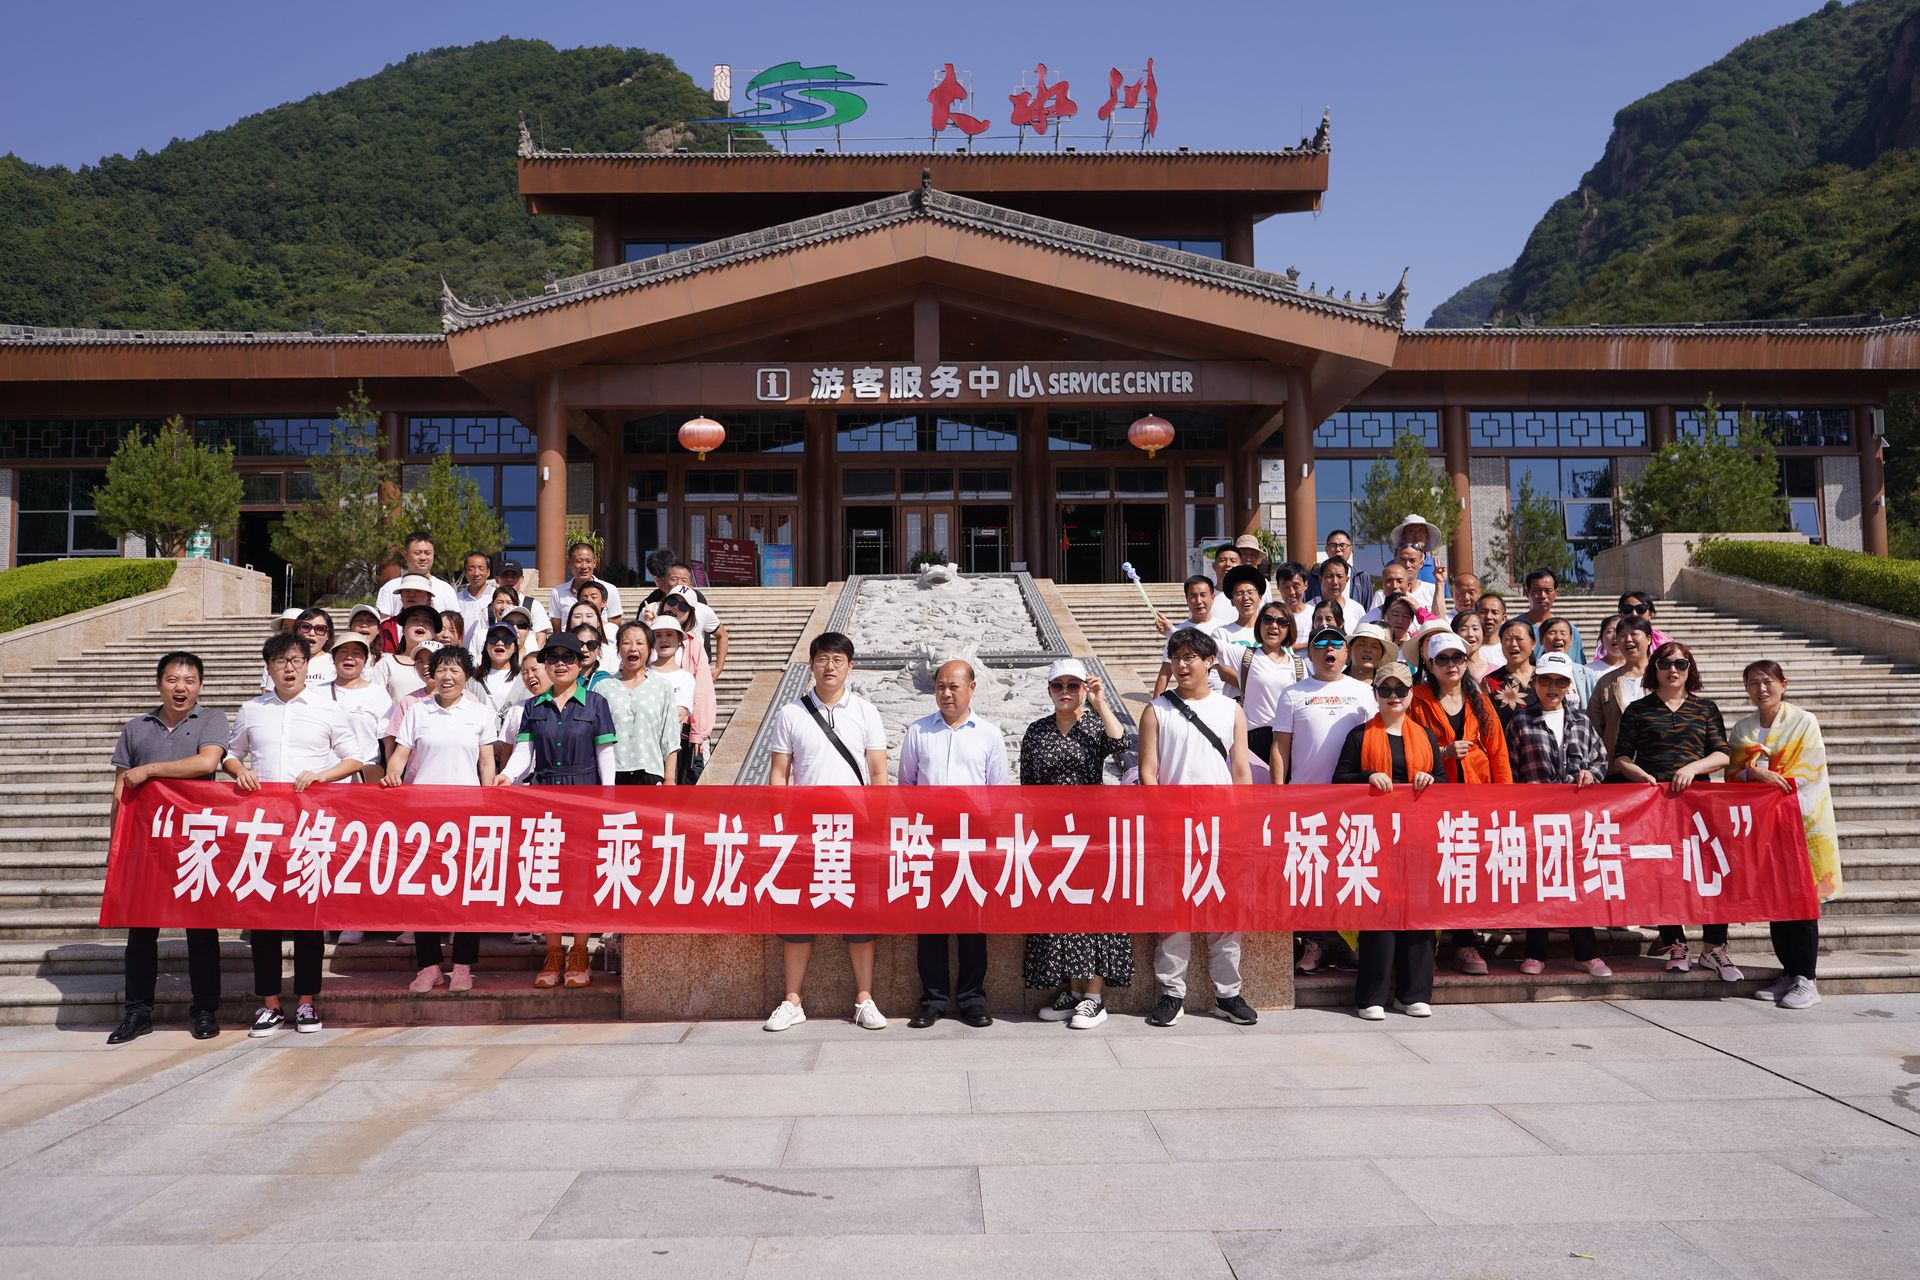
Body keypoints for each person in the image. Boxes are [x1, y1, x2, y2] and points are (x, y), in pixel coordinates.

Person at [225, 632, 366, 1037]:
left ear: (308, 665)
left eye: (296, 661)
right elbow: (231, 753)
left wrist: (323, 775)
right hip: (264, 828)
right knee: (263, 920)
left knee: (308, 920)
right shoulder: (252, 709)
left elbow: (356, 757)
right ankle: (269, 1004)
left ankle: (306, 1002)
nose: (288, 668)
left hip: (309, 828)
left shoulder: (327, 708)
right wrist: (239, 771)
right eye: (280, 661)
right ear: (268, 668)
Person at [764, 632, 890, 1032]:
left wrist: (877, 825)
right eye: (822, 659)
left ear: (850, 666)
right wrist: (782, 826)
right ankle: (792, 1000)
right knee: (798, 914)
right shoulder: (791, 713)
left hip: (855, 830)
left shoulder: (866, 711)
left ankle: (864, 999)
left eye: (837, 659)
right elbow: (779, 775)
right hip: (806, 831)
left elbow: (878, 773)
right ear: (812, 664)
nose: (829, 666)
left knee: (860, 915)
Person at [106, 652, 229, 1044]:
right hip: (147, 844)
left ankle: (205, 1009)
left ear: (200, 686)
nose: (181, 687)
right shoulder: (136, 728)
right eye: (173, 679)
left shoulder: (211, 719)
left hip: (196, 841)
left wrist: (149, 771)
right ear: (159, 683)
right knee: (141, 932)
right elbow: (121, 789)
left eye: (190, 680)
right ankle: (138, 1011)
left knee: (201, 930)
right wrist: (116, 845)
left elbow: (206, 763)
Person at [1140, 628, 1256, 1026]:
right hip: (1173, 827)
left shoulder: (1230, 710)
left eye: (1190, 657)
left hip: (1222, 825)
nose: (1182, 664)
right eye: (1176, 657)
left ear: (1210, 662)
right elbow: (1149, 773)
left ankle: (1229, 993)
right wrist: (1161, 822)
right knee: (1174, 913)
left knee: (1225, 911)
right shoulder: (1157, 710)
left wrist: (1242, 821)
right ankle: (1171, 993)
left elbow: (1241, 770)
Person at [1609, 640, 1736, 977]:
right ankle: (1675, 944)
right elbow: (1621, 757)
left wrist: (1693, 768)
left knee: (1711, 873)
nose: (1673, 670)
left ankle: (1714, 948)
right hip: (1656, 804)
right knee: (1662, 873)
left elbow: (1722, 754)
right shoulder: (1638, 709)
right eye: (1665, 664)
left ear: (1690, 669)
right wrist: (1640, 775)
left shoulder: (1705, 708)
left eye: (1681, 664)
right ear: (1655, 669)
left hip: (1699, 805)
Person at [498, 632, 618, 988]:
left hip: (585, 795)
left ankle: (579, 951)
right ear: (546, 665)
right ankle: (553, 952)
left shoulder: (596, 703)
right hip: (545, 796)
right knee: (546, 875)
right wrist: (507, 776)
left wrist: (609, 797)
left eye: (568, 657)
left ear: (581, 664)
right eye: (553, 658)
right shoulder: (533, 708)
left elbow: (605, 754)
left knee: (580, 877)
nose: (560, 664)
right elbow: (525, 752)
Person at [900, 660, 1011, 1030]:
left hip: (973, 842)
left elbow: (998, 793)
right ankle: (932, 1000)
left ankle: (972, 1000)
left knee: (972, 926)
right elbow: (907, 788)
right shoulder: (918, 732)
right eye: (940, 687)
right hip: (929, 842)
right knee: (930, 926)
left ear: (972, 688)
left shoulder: (989, 735)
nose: (946, 694)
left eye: (954, 687)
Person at [1022, 660, 1133, 1029]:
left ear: (1083, 688)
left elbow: (1122, 742)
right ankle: (1072, 990)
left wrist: (1100, 701)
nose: (1065, 692)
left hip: (1091, 831)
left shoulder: (1094, 726)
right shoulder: (1037, 731)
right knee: (1063, 911)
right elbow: (1027, 788)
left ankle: (1094, 997)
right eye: (1058, 686)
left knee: (1096, 910)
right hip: (1052, 835)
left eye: (1073, 685)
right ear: (1049, 690)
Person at [384, 647, 496, 994]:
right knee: (425, 893)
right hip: (424, 815)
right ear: (431, 675)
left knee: (466, 893)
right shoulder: (417, 711)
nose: (447, 676)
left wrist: (489, 803)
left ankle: (463, 966)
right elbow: (400, 756)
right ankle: (429, 965)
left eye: (455, 670)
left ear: (467, 676)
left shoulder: (480, 713)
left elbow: (487, 763)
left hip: (467, 815)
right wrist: (392, 775)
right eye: (441, 670)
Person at [1336, 662, 1443, 1019]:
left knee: (1419, 915)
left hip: (1418, 837)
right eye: (1385, 690)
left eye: (1400, 690)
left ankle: (1413, 993)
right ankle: (1371, 996)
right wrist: (1367, 776)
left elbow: (1444, 781)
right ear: (1375, 694)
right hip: (1374, 840)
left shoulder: (1426, 736)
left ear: (1411, 694)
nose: (1393, 696)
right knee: (1378, 915)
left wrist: (1430, 779)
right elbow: (1339, 779)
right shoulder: (1359, 735)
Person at [1729, 660, 1839, 1010]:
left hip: (1801, 822)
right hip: (1764, 827)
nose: (1761, 689)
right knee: (1776, 900)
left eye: (1767, 682)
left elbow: (1808, 769)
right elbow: (1733, 773)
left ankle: (1807, 979)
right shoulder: (1743, 728)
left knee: (1802, 901)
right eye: (1753, 683)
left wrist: (1769, 776)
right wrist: (1751, 775)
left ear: (1783, 684)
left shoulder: (1804, 721)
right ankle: (1789, 973)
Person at [1274, 624, 1377, 975]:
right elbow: (1280, 747)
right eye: (1321, 644)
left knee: (1350, 871)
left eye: (1336, 643)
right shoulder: (1293, 693)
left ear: (1346, 653)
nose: (1329, 649)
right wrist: (1278, 792)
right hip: (1306, 800)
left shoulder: (1364, 692)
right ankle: (1314, 942)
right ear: (1310, 653)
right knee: (1312, 873)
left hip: (1353, 799)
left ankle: (1349, 942)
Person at [1409, 629, 1511, 976]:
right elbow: (1406, 748)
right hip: (1430, 801)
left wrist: (1504, 803)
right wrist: (1443, 752)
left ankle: (1466, 942)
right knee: (1432, 872)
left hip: (1475, 800)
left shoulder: (1479, 700)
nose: (1451, 665)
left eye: (1457, 658)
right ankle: (1427, 944)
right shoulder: (1416, 699)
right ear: (1430, 664)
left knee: (1465, 872)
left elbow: (1498, 754)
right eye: (1443, 659)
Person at [1506, 651, 1613, 977]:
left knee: (1577, 885)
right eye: (1546, 680)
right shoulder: (1520, 722)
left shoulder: (1582, 722)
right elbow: (1511, 770)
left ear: (1569, 686)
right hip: (1534, 819)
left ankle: (1586, 953)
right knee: (1537, 887)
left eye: (1560, 681)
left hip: (1575, 820)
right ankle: (1535, 952)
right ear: (1535, 683)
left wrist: (1592, 774)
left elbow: (1601, 759)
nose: (1553, 687)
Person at [602, 620, 681, 786]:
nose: (633, 648)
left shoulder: (662, 687)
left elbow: (670, 737)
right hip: (611, 773)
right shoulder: (603, 687)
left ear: (650, 649)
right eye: (626, 643)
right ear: (618, 648)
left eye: (640, 643)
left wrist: (670, 779)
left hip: (650, 771)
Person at [656, 594, 717, 784]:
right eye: (672, 602)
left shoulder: (693, 644)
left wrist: (698, 733)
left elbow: (703, 692)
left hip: (682, 730)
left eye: (683, 606)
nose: (675, 608)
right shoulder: (646, 639)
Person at [1240, 603, 1298, 783]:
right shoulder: (1246, 655)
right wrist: (1171, 629)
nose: (1273, 626)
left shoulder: (1298, 664)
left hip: (1287, 741)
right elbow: (1209, 645)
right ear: (1259, 624)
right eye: (1267, 620)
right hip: (1252, 740)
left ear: (1289, 628)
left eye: (1282, 622)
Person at [1590, 615, 1655, 754]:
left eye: (1634, 634)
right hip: (1615, 761)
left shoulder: (1662, 677)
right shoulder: (1606, 682)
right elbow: (1593, 727)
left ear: (1649, 639)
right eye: (1622, 636)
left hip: (1656, 761)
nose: (1628, 639)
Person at [1153, 576, 1220, 697]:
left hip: (1221, 695)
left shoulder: (1224, 628)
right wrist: (1155, 702)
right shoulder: (1178, 632)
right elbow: (1166, 670)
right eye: (1193, 596)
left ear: (1212, 597)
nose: (1198, 601)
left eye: (1203, 595)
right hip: (1190, 697)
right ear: (1187, 599)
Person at [1210, 565, 1267, 697]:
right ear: (1232, 601)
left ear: (1260, 597)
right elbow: (1224, 672)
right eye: (1239, 593)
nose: (1245, 597)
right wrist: (1261, 688)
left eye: (1250, 592)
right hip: (1236, 703)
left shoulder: (1272, 631)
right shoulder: (1221, 633)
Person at [375, 531, 460, 616]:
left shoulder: (446, 589)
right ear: (405, 555)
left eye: (428, 553)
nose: (423, 558)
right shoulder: (390, 588)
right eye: (417, 553)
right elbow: (383, 621)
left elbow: (455, 622)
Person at [550, 539, 626, 626]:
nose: (584, 566)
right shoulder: (558, 592)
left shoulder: (610, 590)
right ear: (569, 564)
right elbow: (557, 629)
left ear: (594, 563)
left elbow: (614, 627)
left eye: (588, 561)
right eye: (579, 561)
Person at [260, 607, 335, 690]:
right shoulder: (277, 661)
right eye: (305, 627)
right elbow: (269, 693)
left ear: (328, 635)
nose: (312, 633)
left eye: (320, 629)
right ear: (296, 631)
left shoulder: (335, 663)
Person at [1483, 618, 1539, 727]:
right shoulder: (1490, 682)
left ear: (1533, 644)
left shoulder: (1546, 677)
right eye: (1508, 639)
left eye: (1519, 639)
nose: (1513, 644)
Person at [1521, 568, 1585, 664]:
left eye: (1548, 591)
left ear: (1556, 593)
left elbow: (1580, 666)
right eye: (1536, 590)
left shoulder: (1569, 629)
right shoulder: (1513, 628)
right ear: (1527, 593)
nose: (1543, 595)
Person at [1537, 617, 1595, 709]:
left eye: (1563, 633)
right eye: (1552, 633)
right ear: (1541, 639)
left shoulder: (1586, 673)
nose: (1558, 637)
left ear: (1571, 640)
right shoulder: (1534, 672)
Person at [474, 623, 527, 716]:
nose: (500, 643)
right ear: (486, 646)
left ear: (515, 648)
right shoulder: (472, 678)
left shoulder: (525, 678)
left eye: (507, 639)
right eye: (493, 638)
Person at [1309, 529, 1371, 606]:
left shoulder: (1361, 576)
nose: (1338, 549)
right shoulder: (1313, 576)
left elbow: (1368, 608)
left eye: (1342, 545)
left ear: (1351, 549)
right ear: (1326, 550)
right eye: (1333, 545)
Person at [492, 560, 553, 636]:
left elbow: (541, 637)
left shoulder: (533, 605)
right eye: (505, 575)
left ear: (521, 579)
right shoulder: (489, 608)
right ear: (497, 579)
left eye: (514, 576)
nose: (509, 579)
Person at [1309, 555, 1365, 634]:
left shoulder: (1357, 609)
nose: (1335, 582)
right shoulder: (1308, 609)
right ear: (1321, 579)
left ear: (1347, 580)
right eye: (1330, 576)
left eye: (1339, 576)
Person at [453, 550, 495, 641]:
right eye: (471, 569)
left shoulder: (496, 597)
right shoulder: (456, 599)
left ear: (488, 572)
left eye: (481, 568)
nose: (476, 573)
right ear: (465, 573)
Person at [1452, 610, 1496, 682]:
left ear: (1483, 634)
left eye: (1475, 629)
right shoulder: (1451, 670)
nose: (1470, 634)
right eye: (1463, 629)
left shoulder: (1495, 671)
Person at [1475, 593, 1509, 671]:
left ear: (1503, 619)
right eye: (1483, 612)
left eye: (1495, 612)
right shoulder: (1469, 650)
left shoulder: (1509, 649)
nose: (1488, 617)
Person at [1587, 613, 1625, 680]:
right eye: (1610, 631)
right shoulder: (1587, 671)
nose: (1615, 636)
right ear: (1601, 637)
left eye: (1621, 631)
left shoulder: (1641, 669)